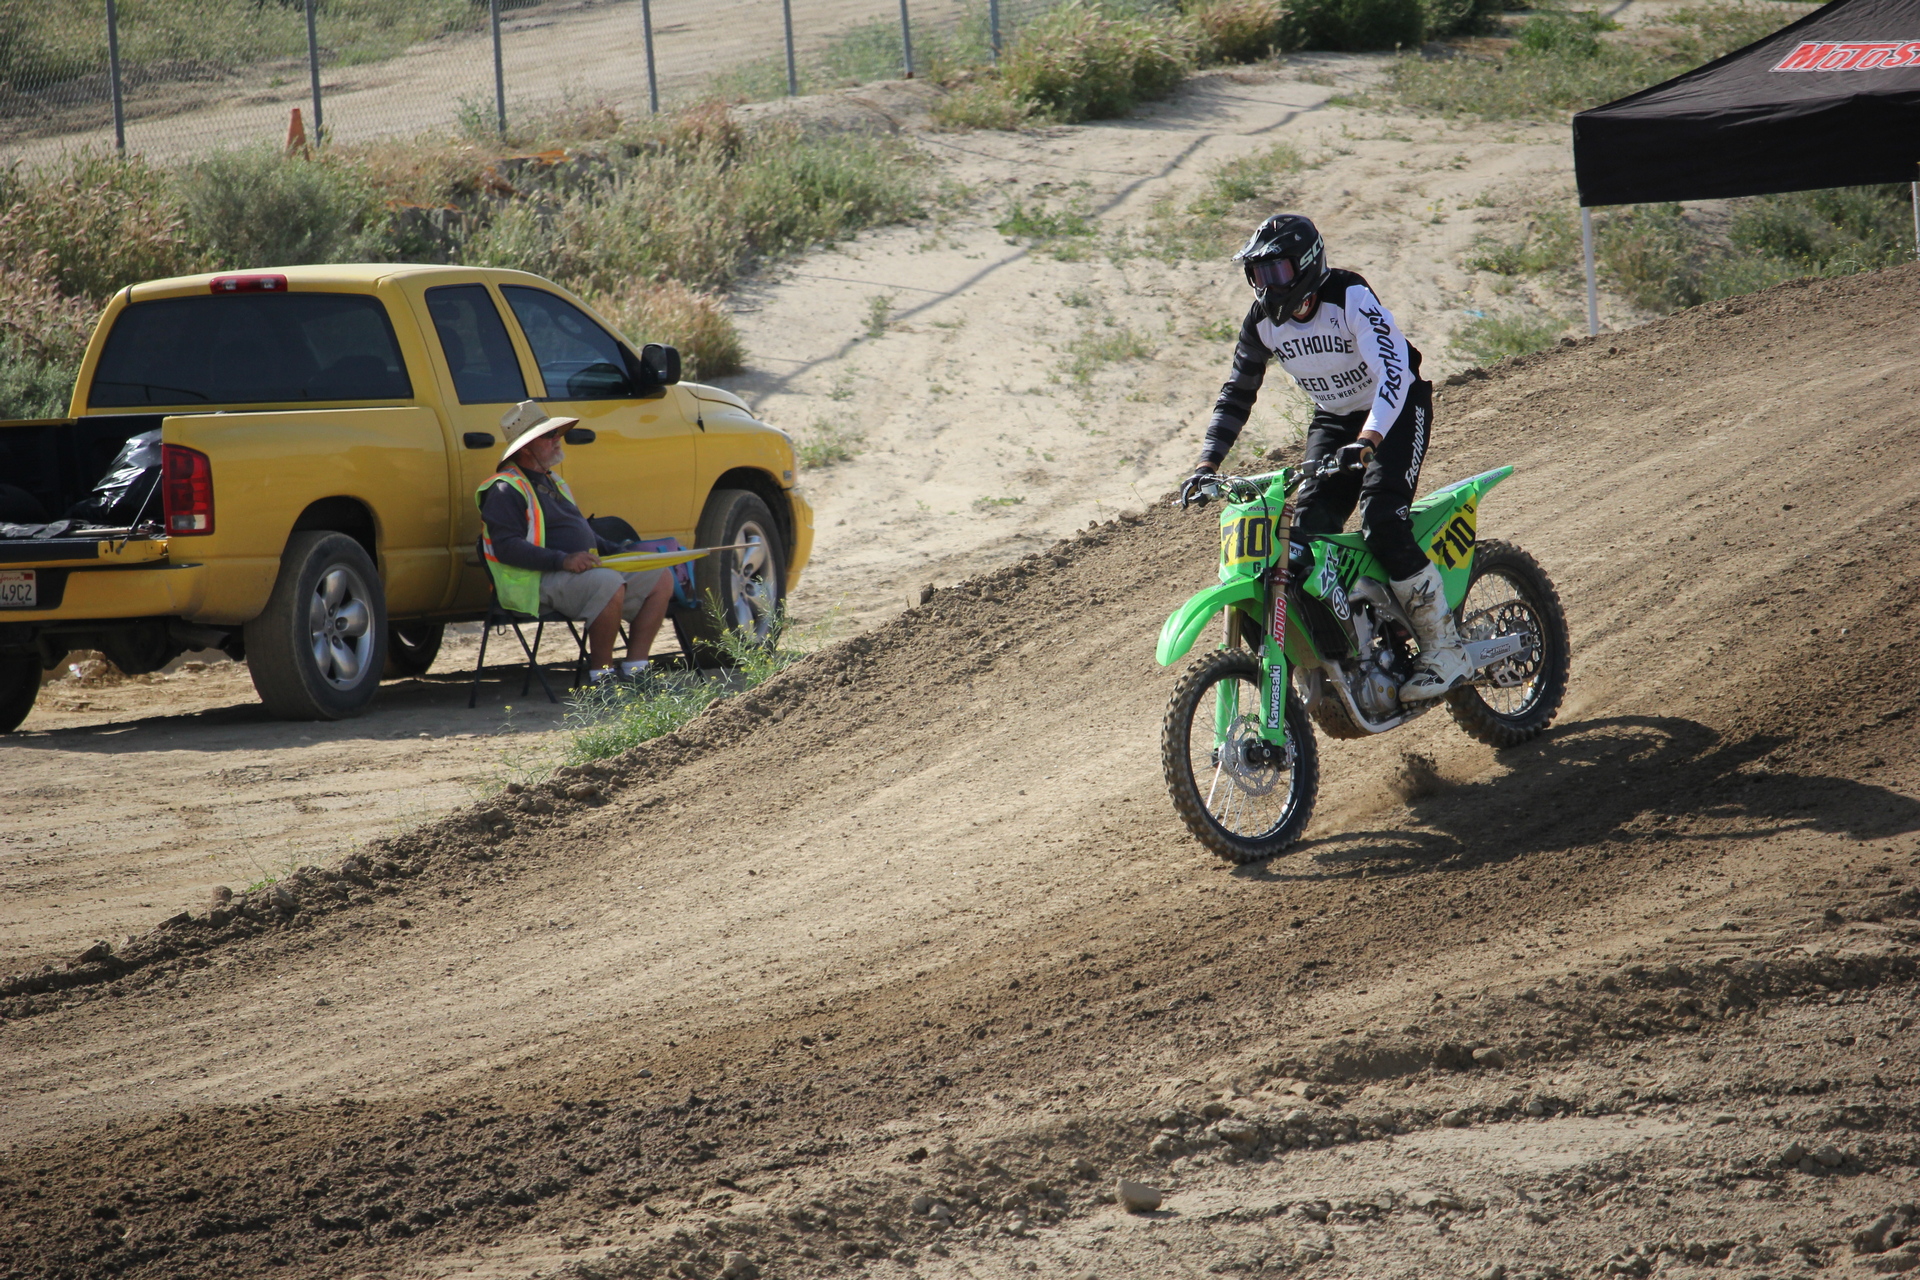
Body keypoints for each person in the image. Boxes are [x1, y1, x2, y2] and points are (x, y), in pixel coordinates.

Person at [1183, 213, 1470, 702]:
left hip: (1394, 408)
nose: (1266, 285)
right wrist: (1206, 464)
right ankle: (1346, 650)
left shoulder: (1349, 297)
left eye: (1276, 271)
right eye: (1257, 274)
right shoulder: (1260, 324)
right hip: (1335, 418)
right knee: (1304, 534)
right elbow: (1237, 392)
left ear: (1308, 264)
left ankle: (1445, 646)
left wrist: (1371, 437)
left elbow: (1395, 372)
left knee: (1383, 520)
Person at [478, 400, 675, 683]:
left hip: (574, 573)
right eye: (549, 435)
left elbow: (583, 532)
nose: (557, 439)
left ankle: (637, 670)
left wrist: (623, 553)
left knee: (660, 576)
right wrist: (563, 560)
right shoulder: (504, 489)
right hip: (534, 582)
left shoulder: (553, 481)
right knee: (608, 582)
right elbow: (506, 547)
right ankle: (602, 678)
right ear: (526, 448)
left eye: (556, 433)